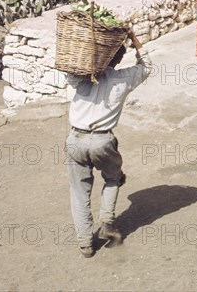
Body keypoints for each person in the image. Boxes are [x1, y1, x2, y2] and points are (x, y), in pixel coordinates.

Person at [65, 30, 152, 258]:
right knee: (114, 178)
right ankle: (107, 222)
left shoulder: (81, 78)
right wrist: (135, 41)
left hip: (75, 139)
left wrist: (88, 53)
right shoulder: (124, 79)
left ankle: (85, 244)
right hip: (103, 141)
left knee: (79, 191)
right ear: (118, 59)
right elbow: (147, 66)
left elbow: (68, 68)